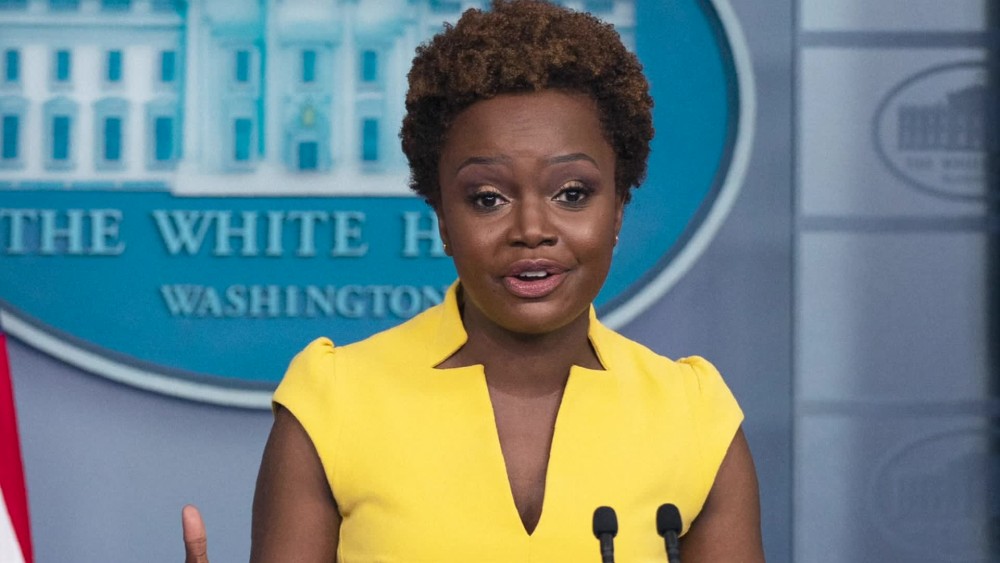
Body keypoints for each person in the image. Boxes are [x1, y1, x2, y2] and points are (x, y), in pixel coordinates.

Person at [184, 1, 764, 561]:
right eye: (488, 198)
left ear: (617, 209)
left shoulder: (694, 415)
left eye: (572, 194)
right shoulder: (332, 402)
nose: (532, 229)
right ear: (442, 217)